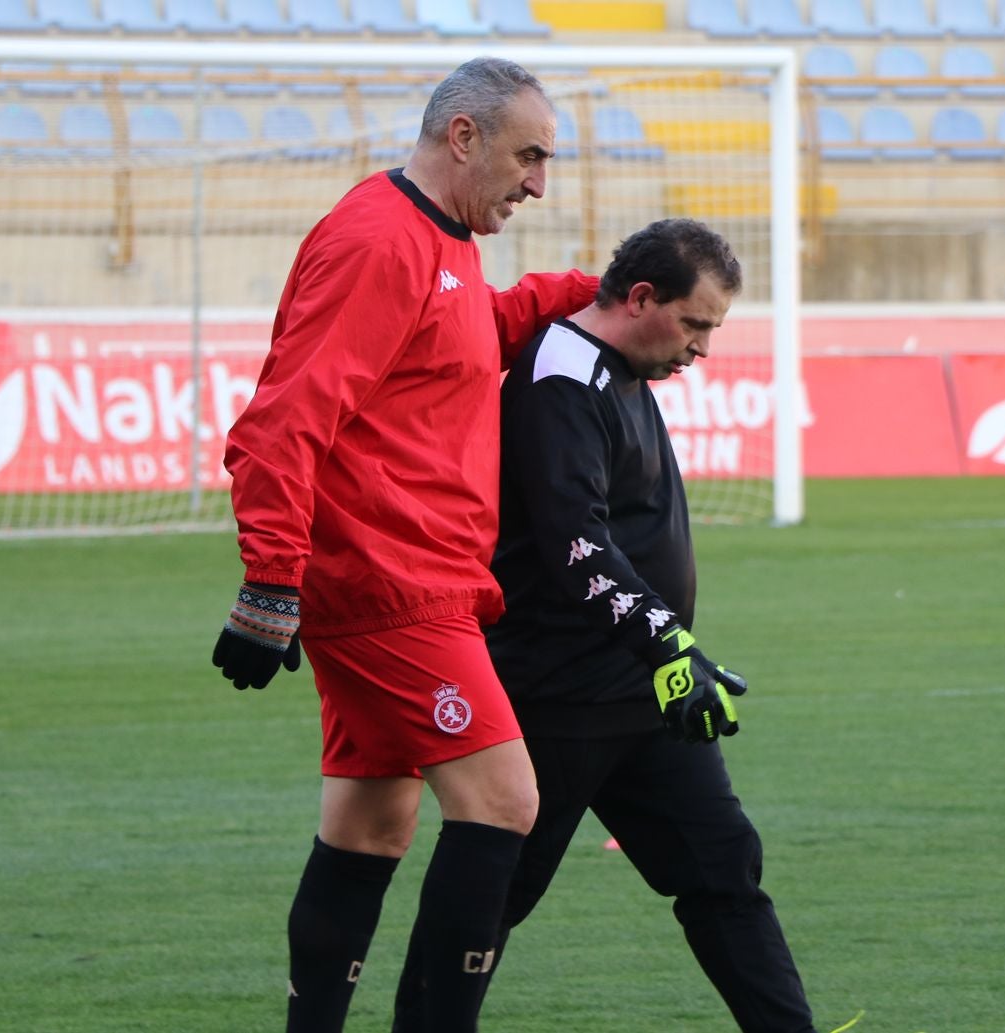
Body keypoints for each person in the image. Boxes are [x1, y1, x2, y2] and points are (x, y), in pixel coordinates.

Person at [210, 57, 599, 1033]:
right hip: (390, 584)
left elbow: (456, 342)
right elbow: (283, 422)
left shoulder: (444, 241)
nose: (538, 183)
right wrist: (269, 585)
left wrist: (596, 289)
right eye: (529, 155)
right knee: (507, 802)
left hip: (416, 577)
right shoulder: (381, 240)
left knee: (373, 824)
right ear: (462, 136)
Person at [392, 218, 819, 1033]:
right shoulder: (560, 375)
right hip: (556, 695)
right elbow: (574, 541)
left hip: (641, 691)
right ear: (642, 297)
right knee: (494, 892)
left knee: (723, 866)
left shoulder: (623, 370)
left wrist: (668, 652)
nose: (701, 349)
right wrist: (667, 640)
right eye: (694, 324)